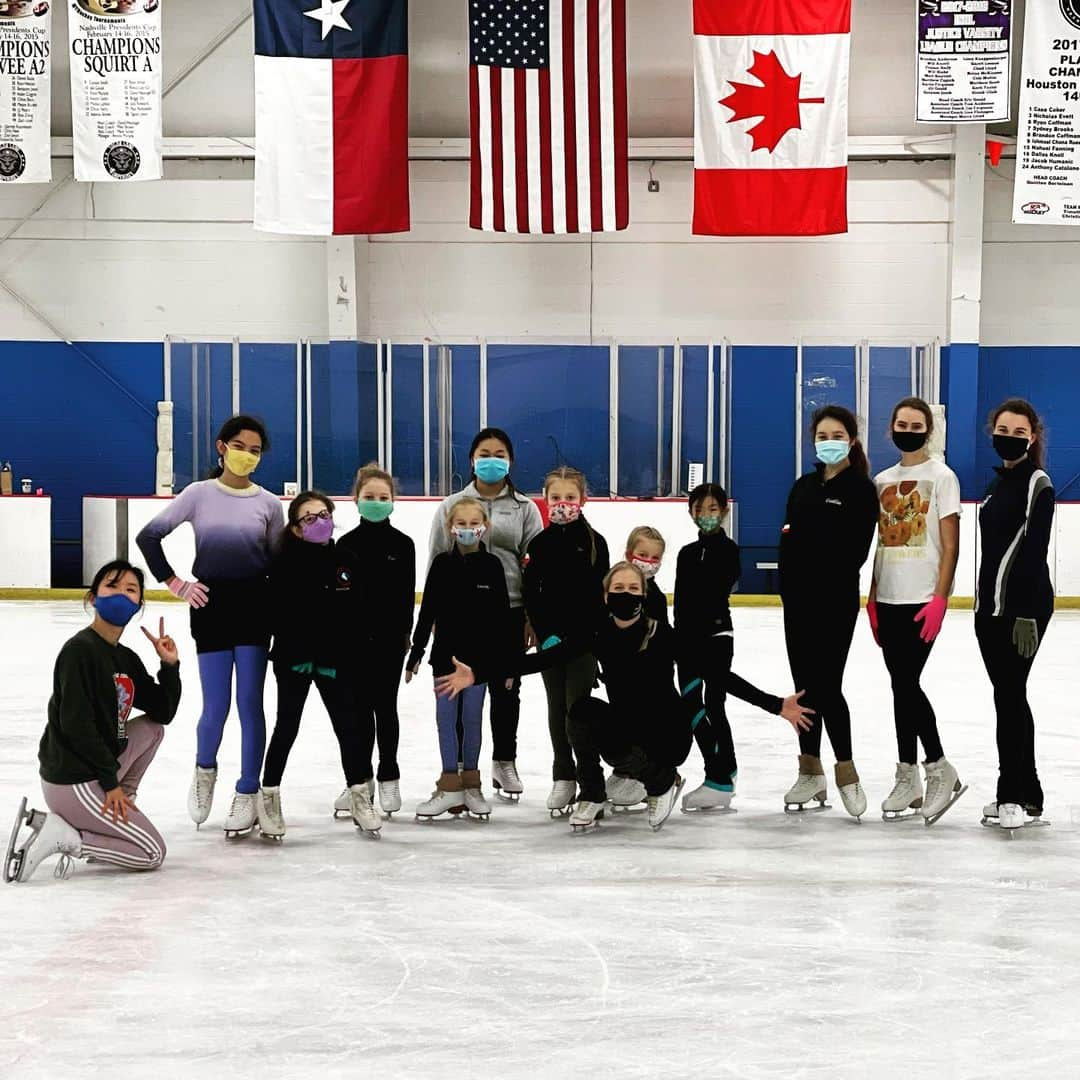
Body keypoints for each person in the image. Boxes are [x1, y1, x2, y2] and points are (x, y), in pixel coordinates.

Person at [435, 563, 815, 833]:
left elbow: (717, 675)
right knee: (580, 712)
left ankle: (662, 782)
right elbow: (542, 659)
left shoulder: (662, 634)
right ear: (605, 595)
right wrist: (477, 674)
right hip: (629, 728)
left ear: (644, 594)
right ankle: (593, 795)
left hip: (667, 735)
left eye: (633, 589)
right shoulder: (597, 632)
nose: (625, 595)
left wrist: (775, 705)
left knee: (615, 742)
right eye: (618, 589)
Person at [136, 414, 280, 837]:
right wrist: (177, 584)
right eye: (241, 447)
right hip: (212, 608)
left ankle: (247, 790)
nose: (248, 456)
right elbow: (149, 536)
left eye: (255, 451)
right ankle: (204, 773)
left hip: (255, 610)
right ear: (222, 447)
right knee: (215, 705)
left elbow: (278, 564)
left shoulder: (269, 504)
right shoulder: (198, 495)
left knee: (250, 705)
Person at [4, 562, 180, 884]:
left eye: (130, 590)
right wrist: (109, 784)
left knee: (153, 730)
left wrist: (169, 666)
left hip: (98, 773)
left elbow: (162, 712)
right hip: (73, 780)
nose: (121, 595)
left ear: (139, 605)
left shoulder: (124, 658)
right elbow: (76, 726)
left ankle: (118, 808)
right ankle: (68, 836)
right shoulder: (78, 651)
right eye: (111, 586)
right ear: (93, 598)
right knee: (152, 852)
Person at [675, 483, 812, 813]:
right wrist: (679, 640)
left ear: (723, 512)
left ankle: (719, 778)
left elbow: (715, 589)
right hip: (686, 638)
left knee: (715, 697)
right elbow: (681, 601)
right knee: (694, 706)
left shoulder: (728, 549)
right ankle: (724, 769)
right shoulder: (686, 554)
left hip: (716, 635)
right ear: (691, 512)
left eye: (712, 509)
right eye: (699, 509)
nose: (706, 515)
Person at [427, 427, 543, 799]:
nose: (491, 460)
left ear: (509, 461)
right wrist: (434, 622)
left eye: (499, 454)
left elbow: (535, 566)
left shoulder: (524, 508)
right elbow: (436, 563)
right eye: (484, 453)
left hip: (509, 611)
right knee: (462, 692)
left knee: (507, 688)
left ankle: (504, 761)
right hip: (461, 619)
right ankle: (460, 768)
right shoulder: (451, 506)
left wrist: (531, 615)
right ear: (472, 459)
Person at [258, 493, 380, 840]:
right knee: (287, 726)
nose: (319, 521)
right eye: (309, 518)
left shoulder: (346, 560)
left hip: (336, 660)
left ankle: (359, 795)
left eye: (323, 514)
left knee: (349, 727)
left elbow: (357, 613)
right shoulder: (280, 563)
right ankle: (269, 796)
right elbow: (276, 615)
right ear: (295, 528)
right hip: (294, 659)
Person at [868, 397, 966, 824]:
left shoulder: (943, 477)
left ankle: (940, 768)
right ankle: (907, 774)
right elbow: (879, 541)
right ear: (891, 430)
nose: (909, 429)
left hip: (922, 597)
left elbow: (950, 544)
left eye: (917, 423)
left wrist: (941, 598)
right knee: (899, 685)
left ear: (928, 430)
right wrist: (871, 596)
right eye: (902, 423)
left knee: (907, 682)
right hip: (887, 596)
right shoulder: (881, 480)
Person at [779, 405, 879, 819]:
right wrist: (791, 583)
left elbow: (853, 551)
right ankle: (809, 770)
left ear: (851, 441)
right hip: (797, 601)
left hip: (834, 602)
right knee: (803, 686)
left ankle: (847, 772)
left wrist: (812, 554)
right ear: (813, 440)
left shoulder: (860, 489)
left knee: (827, 686)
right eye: (822, 435)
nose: (829, 441)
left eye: (837, 434)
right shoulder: (802, 487)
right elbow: (787, 540)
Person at [975, 399, 1055, 832]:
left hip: (1023, 610)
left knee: (1009, 695)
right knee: (1010, 695)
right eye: (1002, 429)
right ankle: (1031, 792)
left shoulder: (1037, 482)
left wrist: (1023, 614)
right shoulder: (994, 487)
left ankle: (1011, 794)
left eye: (1018, 431)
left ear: (1032, 436)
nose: (1008, 436)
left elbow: (1034, 552)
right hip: (988, 610)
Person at [410, 498, 512, 821]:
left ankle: (471, 782)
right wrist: (416, 652)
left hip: (479, 664)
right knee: (445, 721)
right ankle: (449, 784)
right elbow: (426, 614)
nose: (467, 529)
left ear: (485, 527)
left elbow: (502, 619)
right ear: (450, 527)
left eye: (473, 523)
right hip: (444, 661)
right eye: (461, 524)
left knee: (471, 720)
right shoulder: (441, 564)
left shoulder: (493, 566)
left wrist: (506, 663)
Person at [523, 466, 609, 816]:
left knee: (578, 712)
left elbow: (598, 596)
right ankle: (563, 775)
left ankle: (591, 783)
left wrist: (586, 637)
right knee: (555, 708)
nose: (562, 504)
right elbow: (533, 595)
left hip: (584, 644)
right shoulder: (539, 544)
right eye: (555, 498)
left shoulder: (594, 543)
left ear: (582, 500)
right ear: (545, 501)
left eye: (569, 498)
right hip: (550, 644)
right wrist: (546, 634)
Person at [335, 463, 415, 818]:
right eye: (370, 497)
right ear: (356, 500)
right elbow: (339, 594)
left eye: (383, 497)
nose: (376, 502)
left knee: (385, 706)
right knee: (359, 711)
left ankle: (389, 774)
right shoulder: (345, 544)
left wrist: (405, 638)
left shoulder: (404, 544)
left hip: (390, 641)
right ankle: (361, 779)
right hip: (352, 641)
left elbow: (405, 596)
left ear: (394, 501)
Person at [625, 525, 670, 627]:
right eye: (642, 555)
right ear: (629, 555)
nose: (648, 562)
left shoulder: (658, 598)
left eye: (655, 557)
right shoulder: (611, 585)